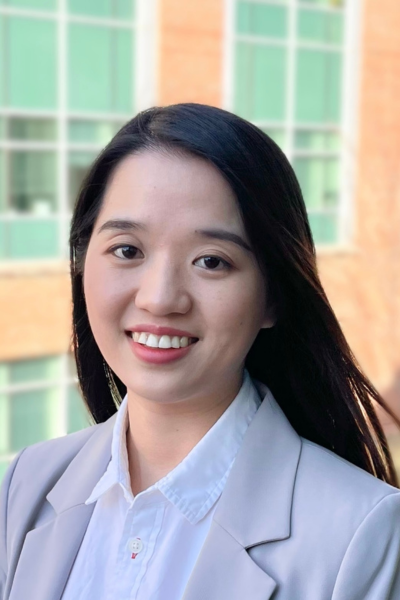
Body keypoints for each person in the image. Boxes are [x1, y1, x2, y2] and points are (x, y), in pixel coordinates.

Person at [1, 104, 400, 600]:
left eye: (211, 261)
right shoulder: (27, 484)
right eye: (127, 250)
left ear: (273, 297)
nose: (160, 298)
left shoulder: (362, 532)